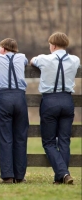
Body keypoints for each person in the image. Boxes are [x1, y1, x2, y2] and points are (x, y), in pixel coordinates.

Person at [30, 32, 80, 185]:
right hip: (67, 100)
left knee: (49, 142)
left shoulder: (44, 59)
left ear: (52, 45)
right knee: (64, 140)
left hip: (50, 100)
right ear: (66, 45)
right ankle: (60, 178)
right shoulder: (75, 60)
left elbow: (32, 61)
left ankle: (63, 173)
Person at [0, 38, 29, 184]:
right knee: (20, 137)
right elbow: (24, 62)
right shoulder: (22, 57)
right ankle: (20, 176)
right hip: (20, 97)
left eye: (0, 47)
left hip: (4, 97)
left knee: (6, 137)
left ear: (4, 48)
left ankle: (7, 176)